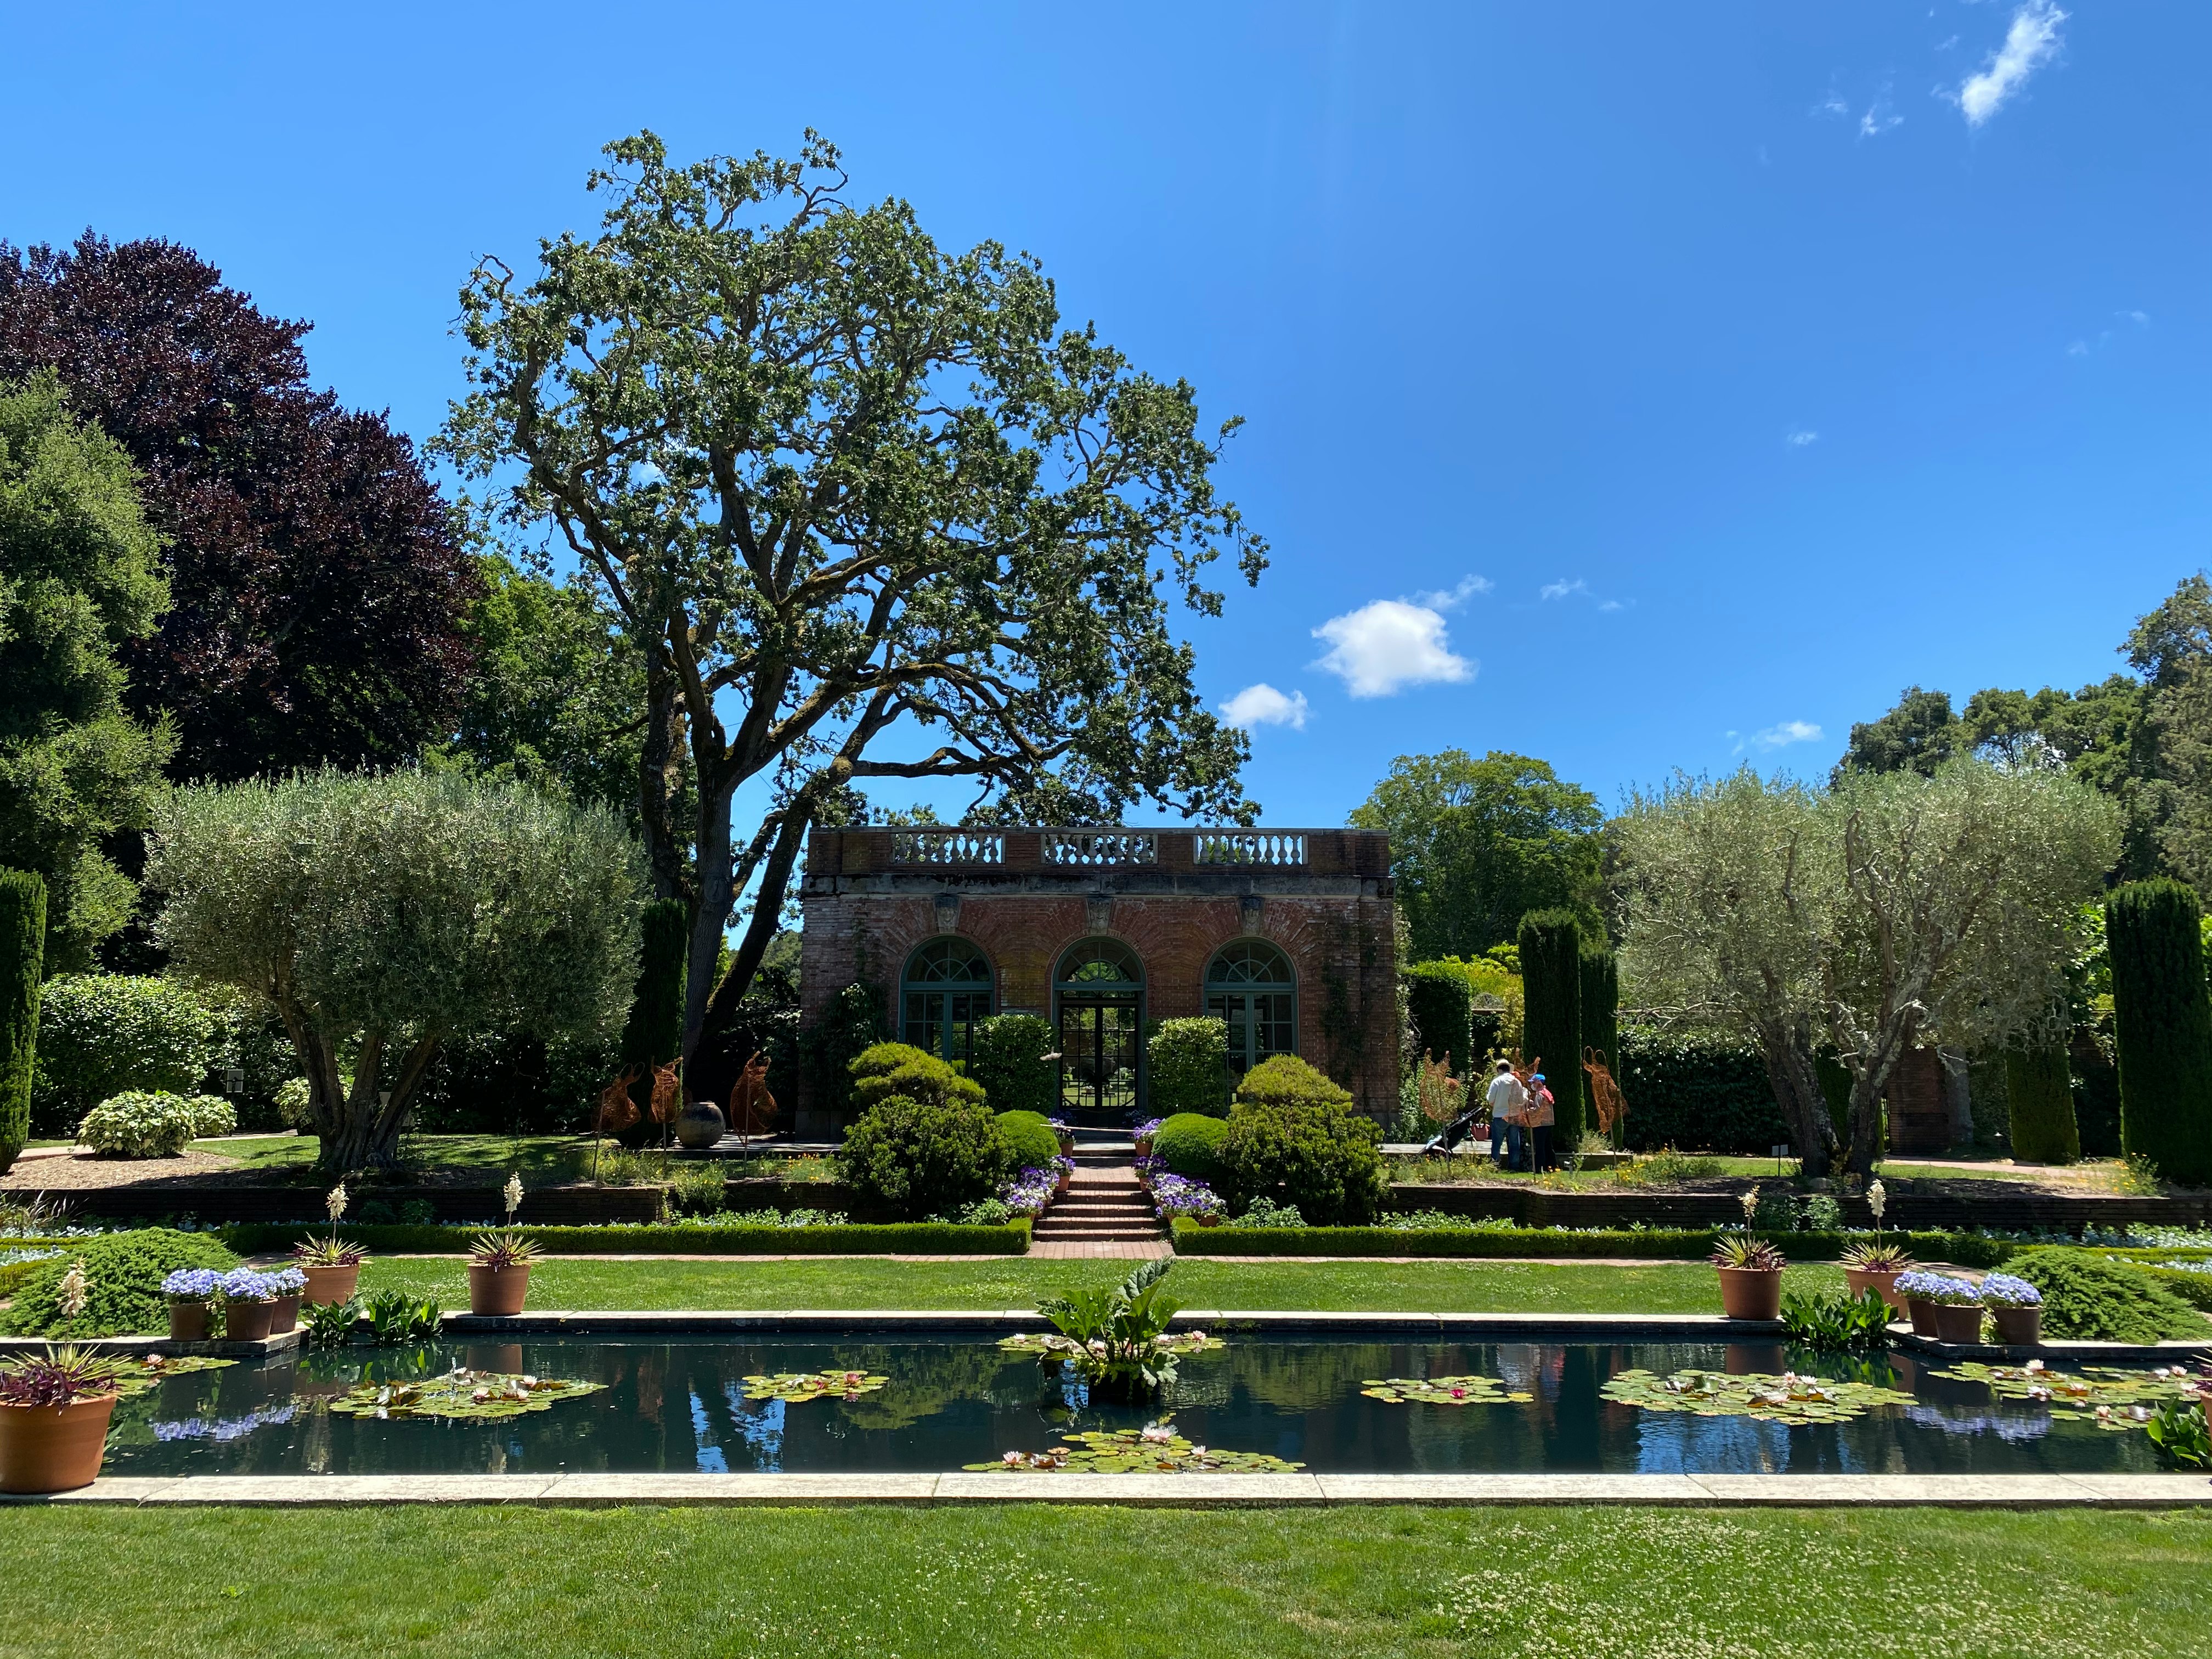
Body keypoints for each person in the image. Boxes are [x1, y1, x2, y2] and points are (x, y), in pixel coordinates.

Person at [1483, 1059, 1525, 1171]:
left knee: (1497, 1143)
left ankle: (1495, 1166)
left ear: (1499, 1069)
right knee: (1514, 1143)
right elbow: (1521, 1099)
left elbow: (1491, 1099)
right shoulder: (1517, 1082)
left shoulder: (1497, 1082)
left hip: (1500, 1115)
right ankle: (1514, 1167)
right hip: (1514, 1115)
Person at [1525, 1071, 1556, 1173]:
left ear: (1538, 1082)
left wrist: (1527, 1111)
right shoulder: (1546, 1092)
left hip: (1540, 1123)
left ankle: (1539, 1168)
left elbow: (1537, 1109)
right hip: (1548, 1123)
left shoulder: (1539, 1094)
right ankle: (1552, 1166)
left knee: (1540, 1147)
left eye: (1533, 1082)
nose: (1532, 1085)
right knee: (1548, 1146)